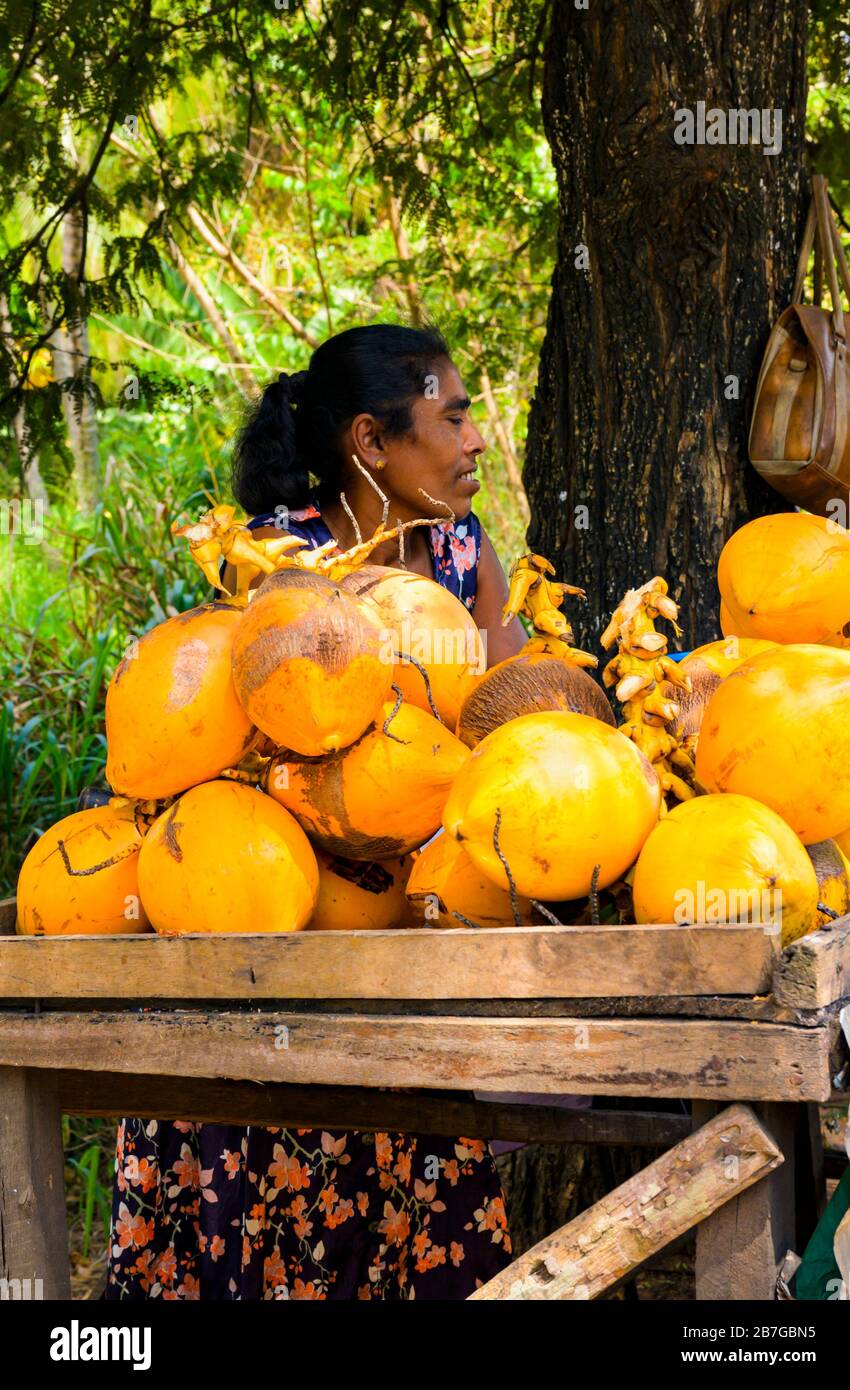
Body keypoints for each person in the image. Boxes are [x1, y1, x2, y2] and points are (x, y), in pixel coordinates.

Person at [105, 323, 528, 1301]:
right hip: (261, 931)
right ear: (371, 443)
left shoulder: (462, 554)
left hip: (399, 932)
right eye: (453, 417)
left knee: (409, 1199)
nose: (473, 442)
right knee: (250, 1198)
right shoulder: (271, 570)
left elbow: (508, 723)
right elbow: (196, 743)